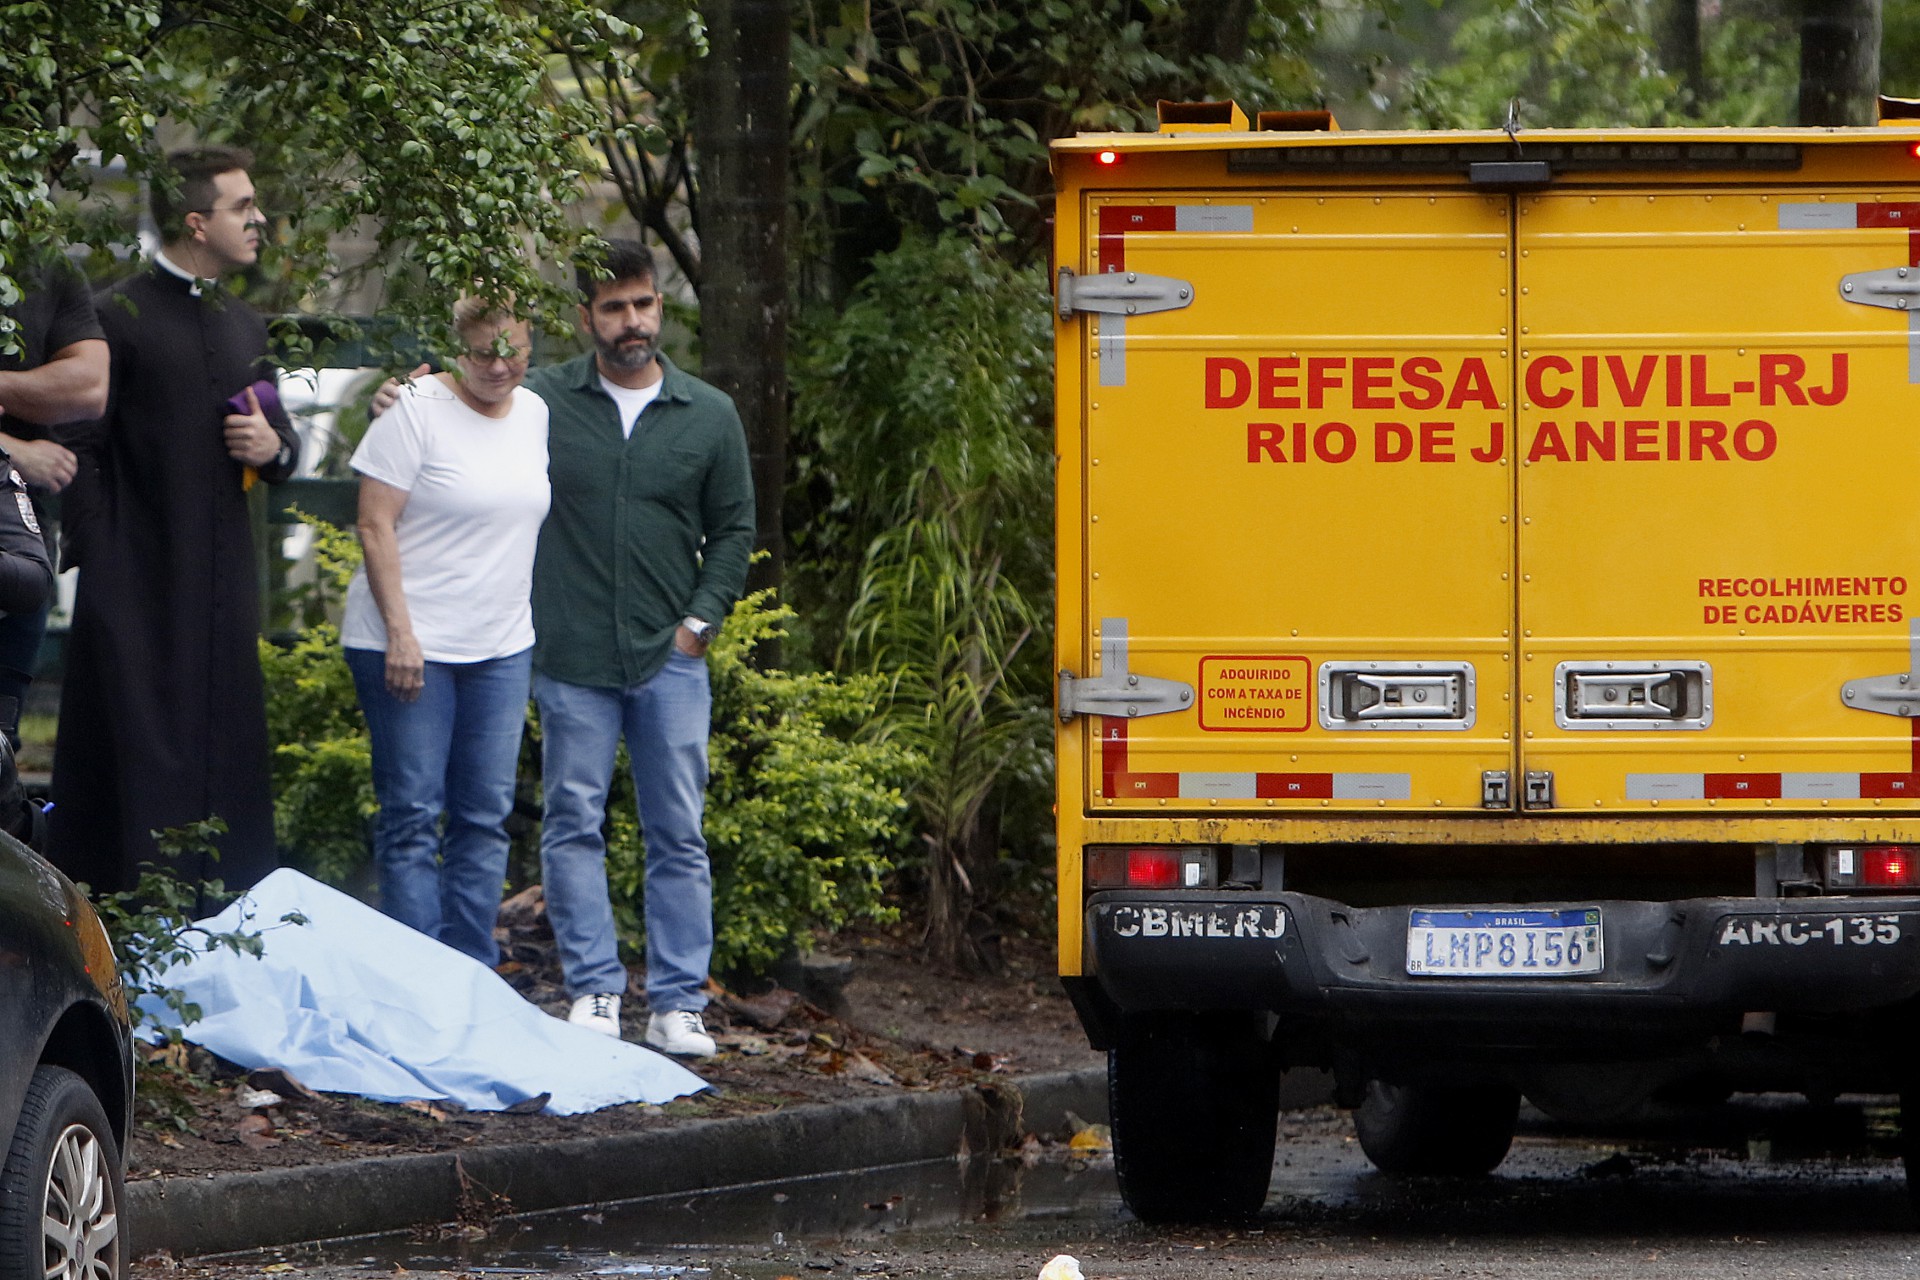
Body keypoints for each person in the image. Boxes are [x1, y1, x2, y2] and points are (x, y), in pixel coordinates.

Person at [372, 240, 754, 1052]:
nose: (631, 322)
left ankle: (680, 1001)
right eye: (612, 308)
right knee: (572, 822)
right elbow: (469, 388)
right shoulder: (542, 400)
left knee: (677, 829)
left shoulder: (710, 415)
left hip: (671, 656)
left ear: (659, 308)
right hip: (570, 656)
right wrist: (404, 394)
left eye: (642, 305)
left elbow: (735, 531)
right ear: (586, 318)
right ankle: (595, 990)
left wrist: (700, 624)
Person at [50, 145, 300, 900]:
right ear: (196, 222)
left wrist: (275, 447)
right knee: (136, 761)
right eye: (240, 207)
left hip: (221, 591)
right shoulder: (112, 314)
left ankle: (228, 923)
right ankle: (130, 937)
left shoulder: (247, 324)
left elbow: (278, 439)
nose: (257, 220)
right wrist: (108, 562)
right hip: (135, 593)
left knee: (225, 756)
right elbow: (76, 445)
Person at [342, 297, 549, 965]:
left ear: (531, 344)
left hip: (501, 646)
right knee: (411, 815)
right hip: (406, 645)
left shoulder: (537, 414)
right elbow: (373, 524)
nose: (497, 364)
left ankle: (470, 977)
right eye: (483, 350)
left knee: (484, 819)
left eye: (511, 349)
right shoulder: (415, 408)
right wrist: (402, 635)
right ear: (458, 347)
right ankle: (415, 981)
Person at [0, 258, 108, 746]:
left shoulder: (44, 259)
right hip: (22, 479)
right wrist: (12, 450)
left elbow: (88, 385)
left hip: (19, 534)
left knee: (3, 742)